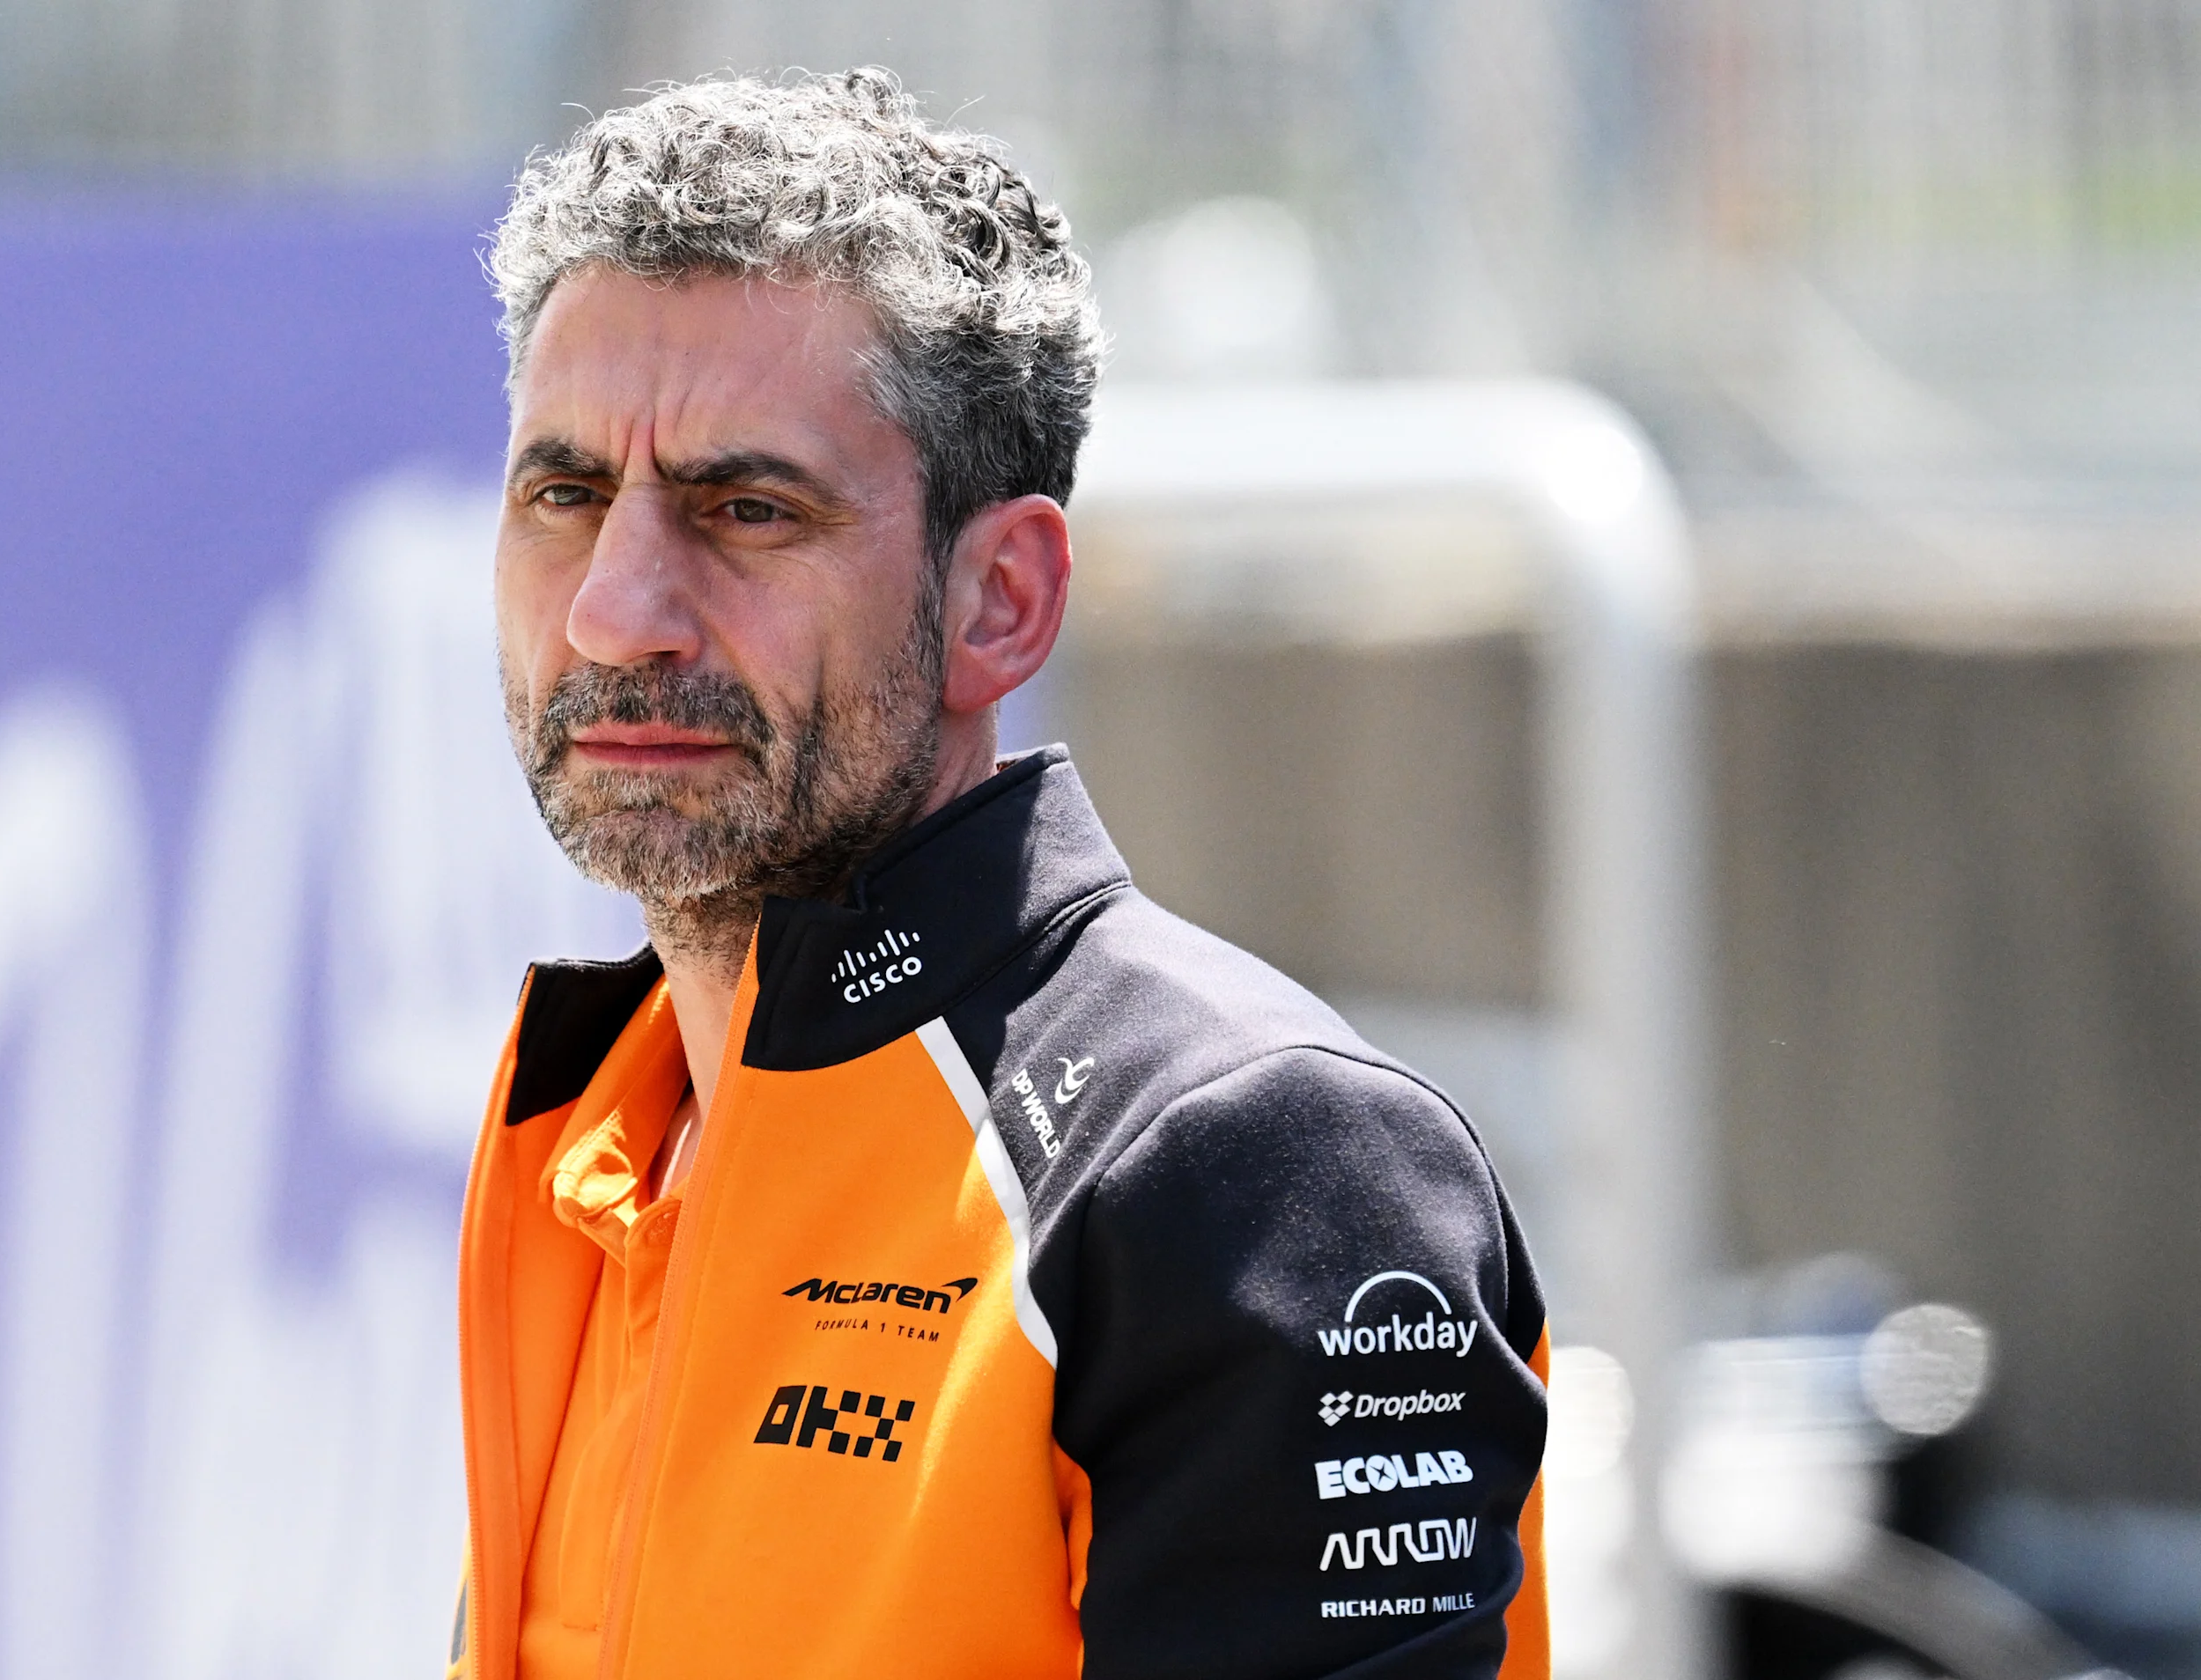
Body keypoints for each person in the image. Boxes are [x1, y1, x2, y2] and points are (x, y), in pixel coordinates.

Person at [457, 69, 1549, 1680]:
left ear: (1003, 600)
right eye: (565, 494)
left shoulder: (1250, 1165)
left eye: (746, 509)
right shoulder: (589, 1142)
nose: (616, 609)